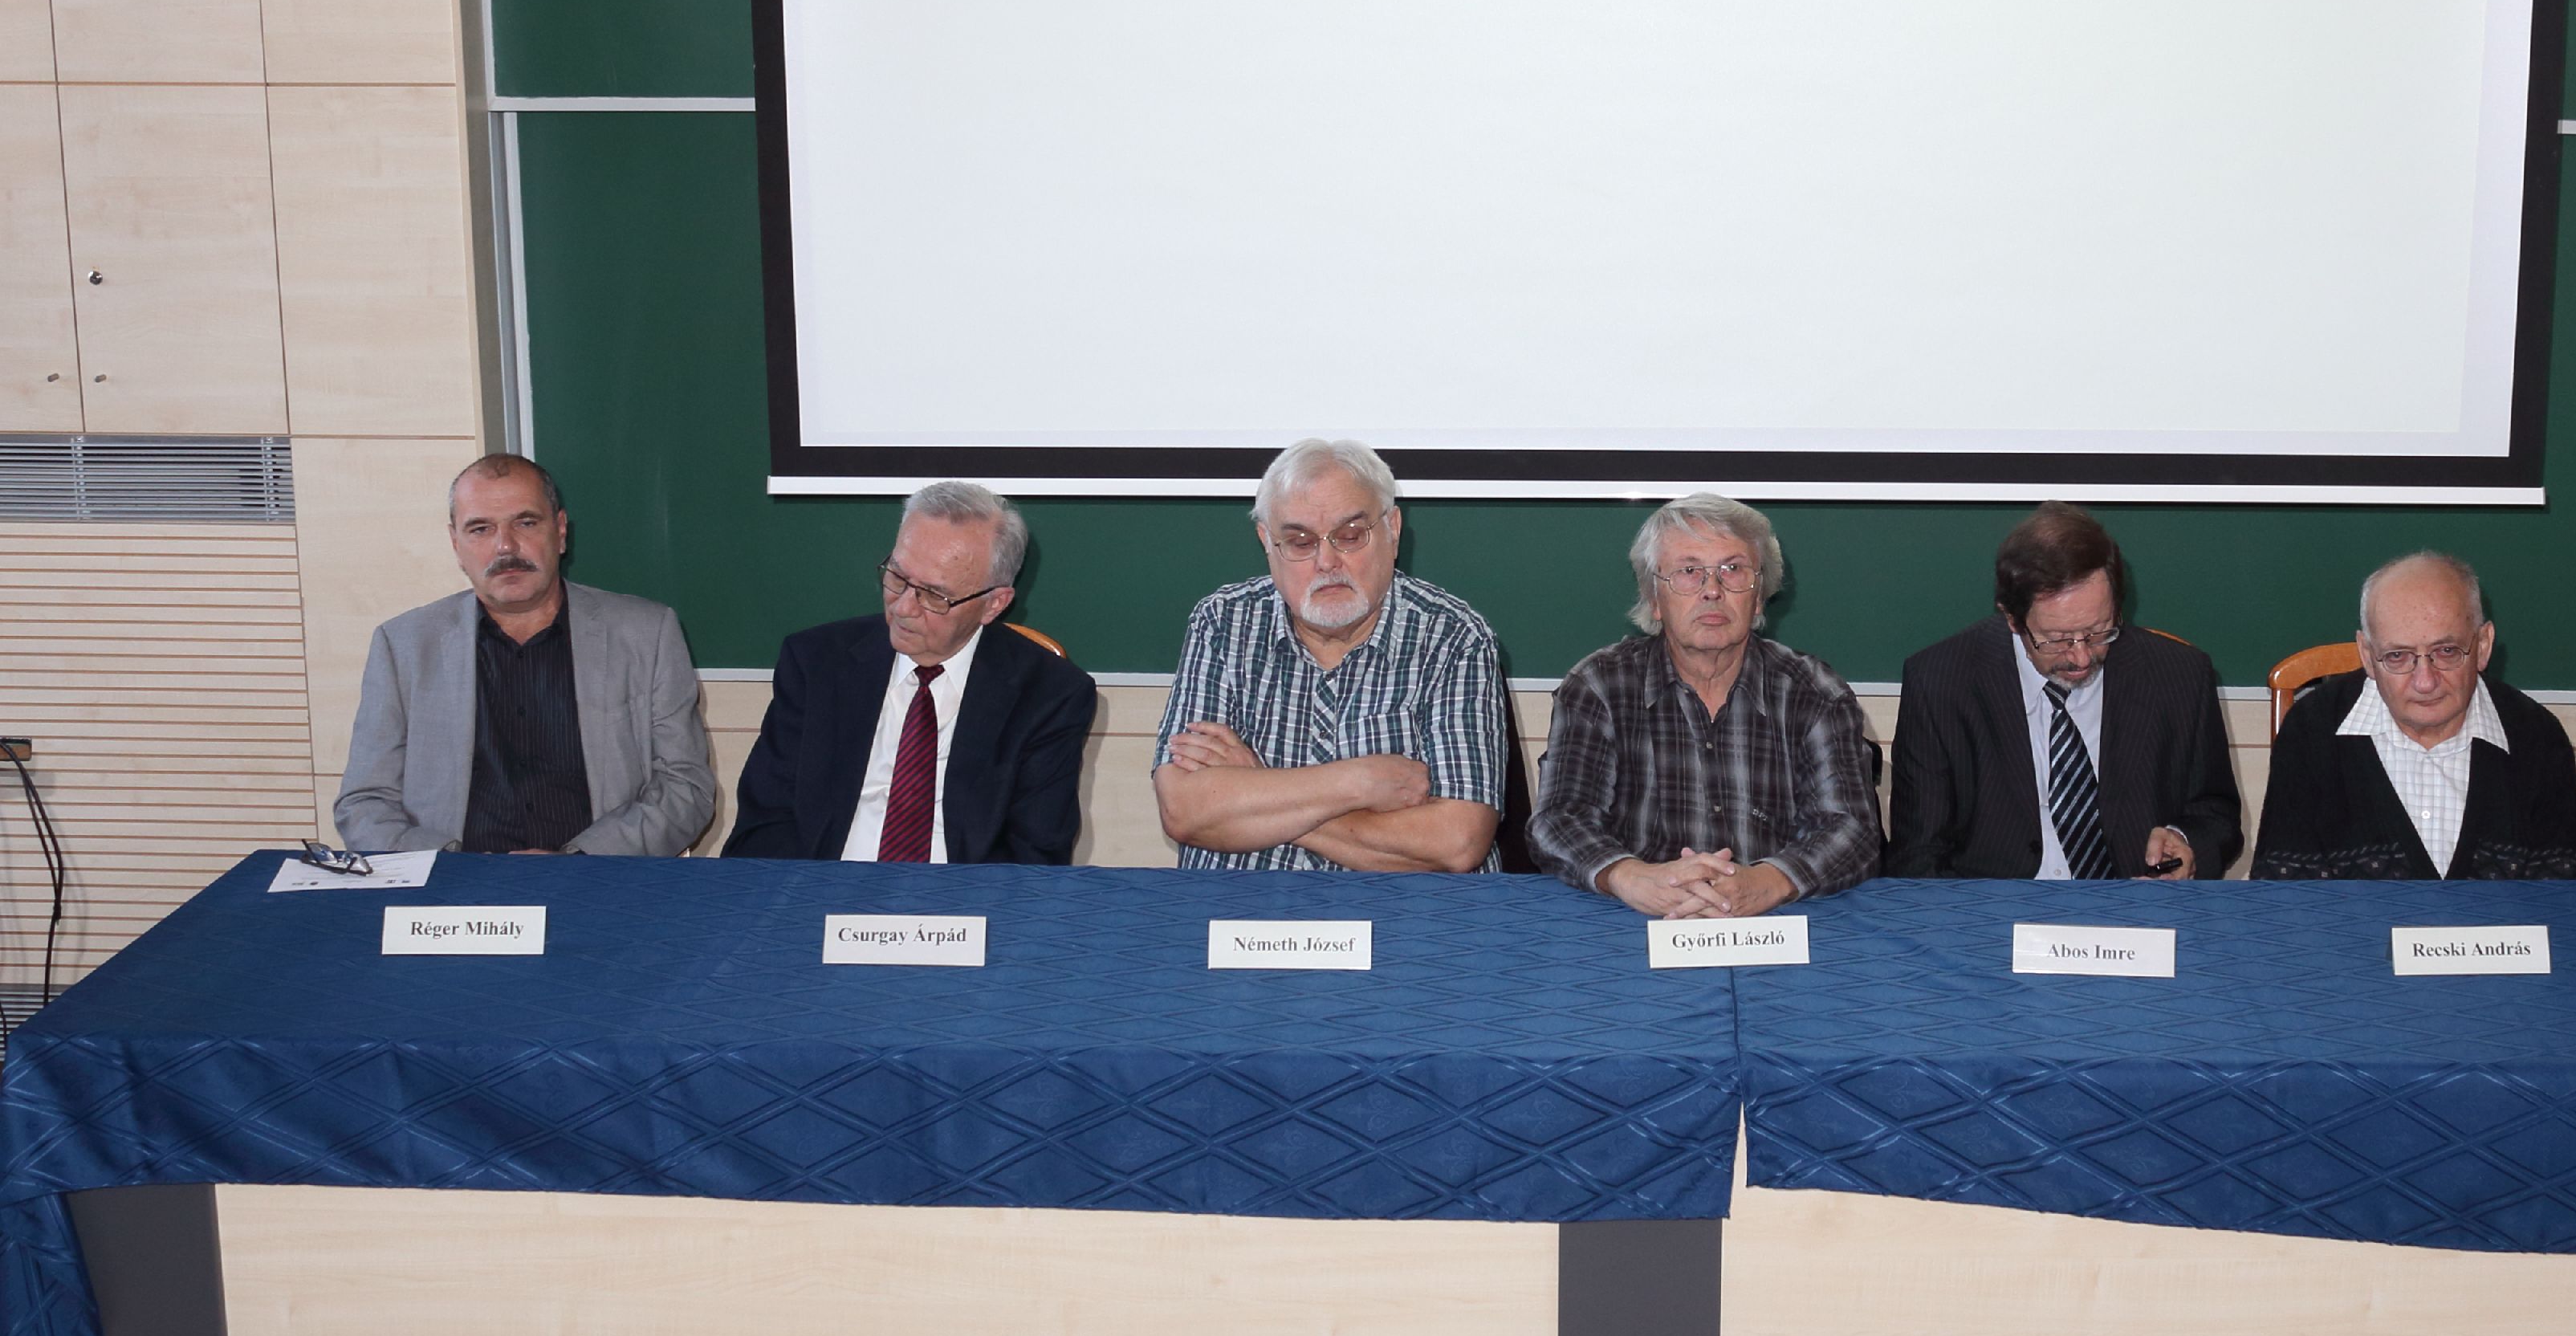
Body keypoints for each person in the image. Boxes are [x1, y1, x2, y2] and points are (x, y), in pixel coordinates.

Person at [336, 454, 715, 857]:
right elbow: (365, 805)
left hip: (597, 878)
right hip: (454, 884)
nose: (505, 546)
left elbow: (685, 787)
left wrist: (580, 862)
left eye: (526, 523)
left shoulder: (646, 634)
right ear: (456, 544)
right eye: (481, 529)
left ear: (561, 531)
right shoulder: (403, 645)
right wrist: (455, 869)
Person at [1153, 439, 1504, 872]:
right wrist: (1358, 782)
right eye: (1299, 542)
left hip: (1397, 909)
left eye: (1350, 536)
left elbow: (1455, 843)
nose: (1326, 561)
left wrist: (1257, 788)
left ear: (1393, 529)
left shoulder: (1455, 637)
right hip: (1238, 907)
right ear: (1267, 542)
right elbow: (1184, 811)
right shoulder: (1222, 622)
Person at [1532, 493, 1880, 916]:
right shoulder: (1599, 685)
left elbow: (1851, 828)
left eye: (1733, 570)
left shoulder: (1814, 691)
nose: (1712, 591)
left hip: (1776, 916)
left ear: (1758, 597)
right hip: (1636, 913)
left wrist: (1768, 882)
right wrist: (1630, 876)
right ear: (1654, 599)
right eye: (1688, 572)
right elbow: (1560, 819)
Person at [725, 480, 1096, 862]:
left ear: (994, 604)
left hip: (962, 893)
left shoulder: (1049, 694)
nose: (902, 608)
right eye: (897, 578)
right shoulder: (817, 663)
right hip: (823, 882)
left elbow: (1035, 856)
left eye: (934, 595)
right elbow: (764, 824)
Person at [1884, 503, 2240, 879]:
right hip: (1994, 903)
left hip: (2133, 900)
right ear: (2012, 618)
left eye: (2099, 630)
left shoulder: (2179, 676)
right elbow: (1918, 854)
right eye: (2056, 639)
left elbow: (2217, 817)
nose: (2081, 656)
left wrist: (2184, 842)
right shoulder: (1941, 682)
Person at [2250, 552, 2576, 881]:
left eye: (2447, 651)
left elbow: (2559, 897)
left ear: (2483, 645)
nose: (2425, 682)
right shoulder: (2311, 733)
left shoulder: (2537, 736)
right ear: (2367, 654)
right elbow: (2287, 894)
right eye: (2397, 656)